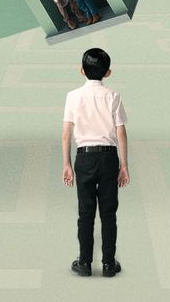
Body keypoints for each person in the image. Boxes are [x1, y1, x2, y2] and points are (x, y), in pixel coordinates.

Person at [61, 48, 129, 277]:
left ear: (81, 70)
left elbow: (66, 134)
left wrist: (67, 165)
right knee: (109, 213)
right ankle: (109, 264)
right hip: (109, 157)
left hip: (84, 157)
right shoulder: (113, 96)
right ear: (108, 73)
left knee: (86, 212)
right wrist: (124, 166)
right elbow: (121, 133)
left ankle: (84, 263)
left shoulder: (72, 96)